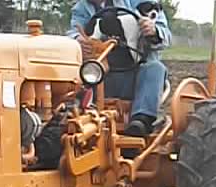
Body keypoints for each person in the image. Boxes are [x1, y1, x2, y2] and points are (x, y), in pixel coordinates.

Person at [67, 0, 172, 137]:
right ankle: (81, 115)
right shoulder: (81, 8)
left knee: (155, 68)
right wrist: (78, 40)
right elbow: (74, 31)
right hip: (100, 74)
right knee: (75, 74)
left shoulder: (141, 2)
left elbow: (165, 35)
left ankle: (141, 121)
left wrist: (153, 30)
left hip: (137, 71)